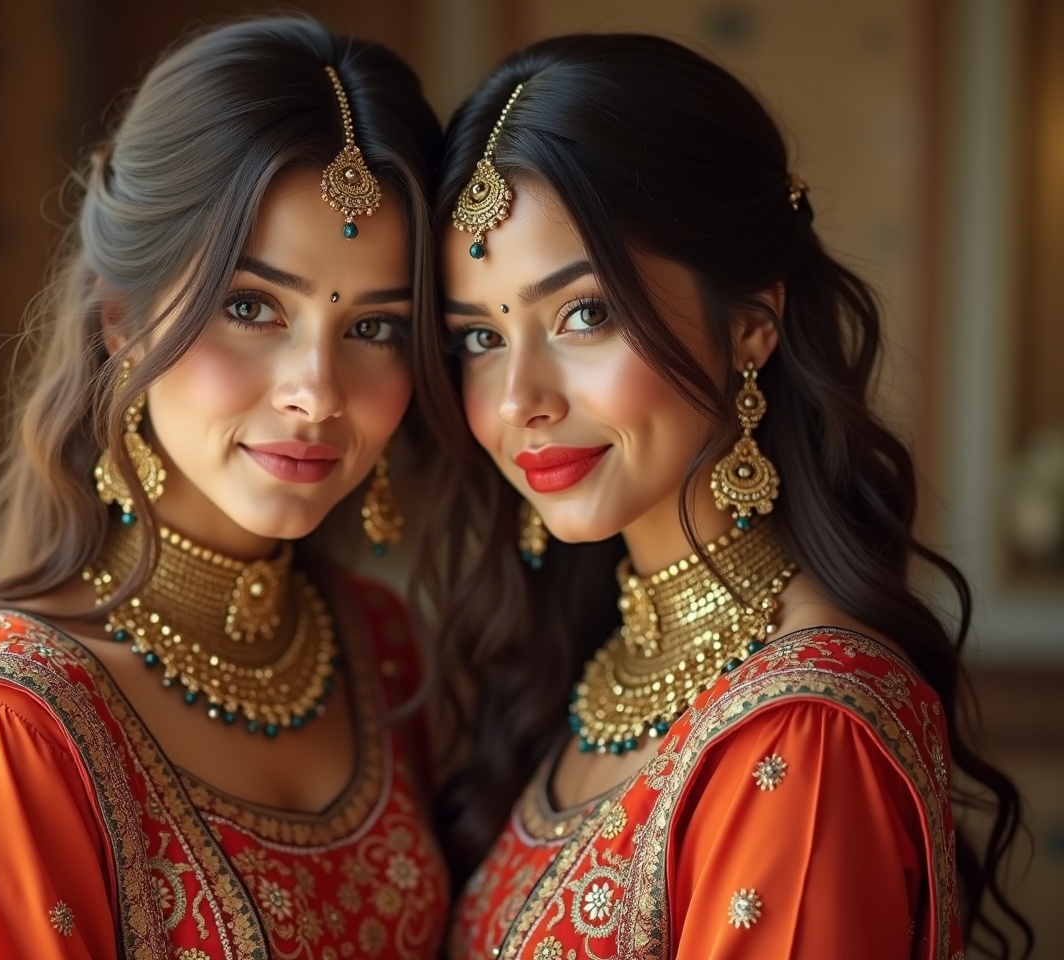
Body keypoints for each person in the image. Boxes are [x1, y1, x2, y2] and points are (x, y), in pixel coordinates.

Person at [415, 34, 1032, 960]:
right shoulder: (603, 661)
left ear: (749, 325)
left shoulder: (806, 729)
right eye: (478, 338)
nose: (517, 402)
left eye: (584, 314)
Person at [0, 16, 447, 959]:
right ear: (123, 320)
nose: (317, 392)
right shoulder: (13, 727)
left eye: (376, 327)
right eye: (252, 307)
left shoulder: (381, 656)